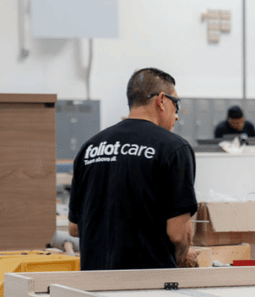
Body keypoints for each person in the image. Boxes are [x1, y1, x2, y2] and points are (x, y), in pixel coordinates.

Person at [68, 67, 199, 270]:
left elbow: (74, 228)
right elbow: (178, 234)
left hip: (94, 284)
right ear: (161, 100)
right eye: (177, 105)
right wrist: (182, 255)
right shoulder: (174, 148)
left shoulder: (90, 148)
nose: (177, 117)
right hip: (148, 286)